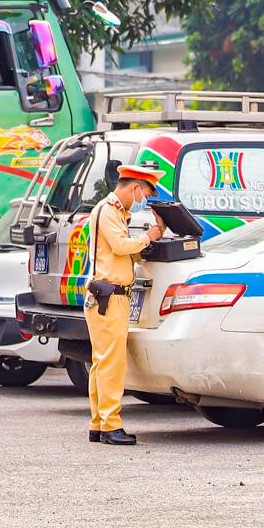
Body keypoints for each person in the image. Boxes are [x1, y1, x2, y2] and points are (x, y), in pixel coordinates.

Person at [83, 163, 166, 446]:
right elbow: (120, 246)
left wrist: (150, 239)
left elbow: (123, 252)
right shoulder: (108, 211)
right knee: (112, 364)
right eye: (145, 195)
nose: (143, 201)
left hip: (107, 296)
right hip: (110, 297)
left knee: (102, 363)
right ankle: (111, 425)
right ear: (135, 188)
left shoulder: (115, 212)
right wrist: (148, 236)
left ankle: (99, 424)